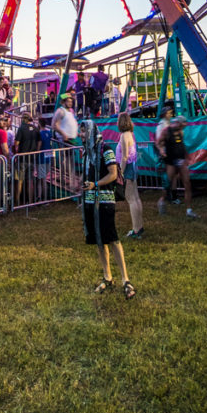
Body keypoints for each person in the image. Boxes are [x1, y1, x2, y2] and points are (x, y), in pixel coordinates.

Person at [81, 120, 135, 300]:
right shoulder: (86, 153)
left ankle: (125, 279)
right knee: (99, 240)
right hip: (90, 201)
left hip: (105, 201)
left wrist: (95, 184)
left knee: (112, 238)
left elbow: (113, 174)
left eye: (84, 132)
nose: (81, 135)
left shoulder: (106, 150)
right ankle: (107, 276)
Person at [156, 116, 198, 219]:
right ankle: (162, 201)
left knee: (187, 183)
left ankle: (189, 209)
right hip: (170, 161)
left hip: (181, 160)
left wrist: (186, 156)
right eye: (183, 124)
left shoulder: (181, 132)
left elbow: (181, 144)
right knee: (168, 183)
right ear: (179, 123)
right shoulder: (167, 131)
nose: (184, 126)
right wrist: (161, 150)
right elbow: (158, 142)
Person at [116, 113, 144, 238]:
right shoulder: (130, 134)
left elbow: (125, 156)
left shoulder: (123, 136)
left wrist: (120, 173)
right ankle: (139, 226)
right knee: (136, 198)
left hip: (127, 168)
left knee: (131, 199)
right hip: (133, 166)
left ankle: (136, 229)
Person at [13, 112, 41, 205]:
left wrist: (15, 151)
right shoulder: (36, 128)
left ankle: (16, 203)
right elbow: (39, 141)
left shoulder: (21, 128)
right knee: (30, 180)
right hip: (32, 157)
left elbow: (16, 143)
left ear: (23, 119)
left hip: (22, 157)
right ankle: (30, 201)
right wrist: (36, 151)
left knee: (19, 181)